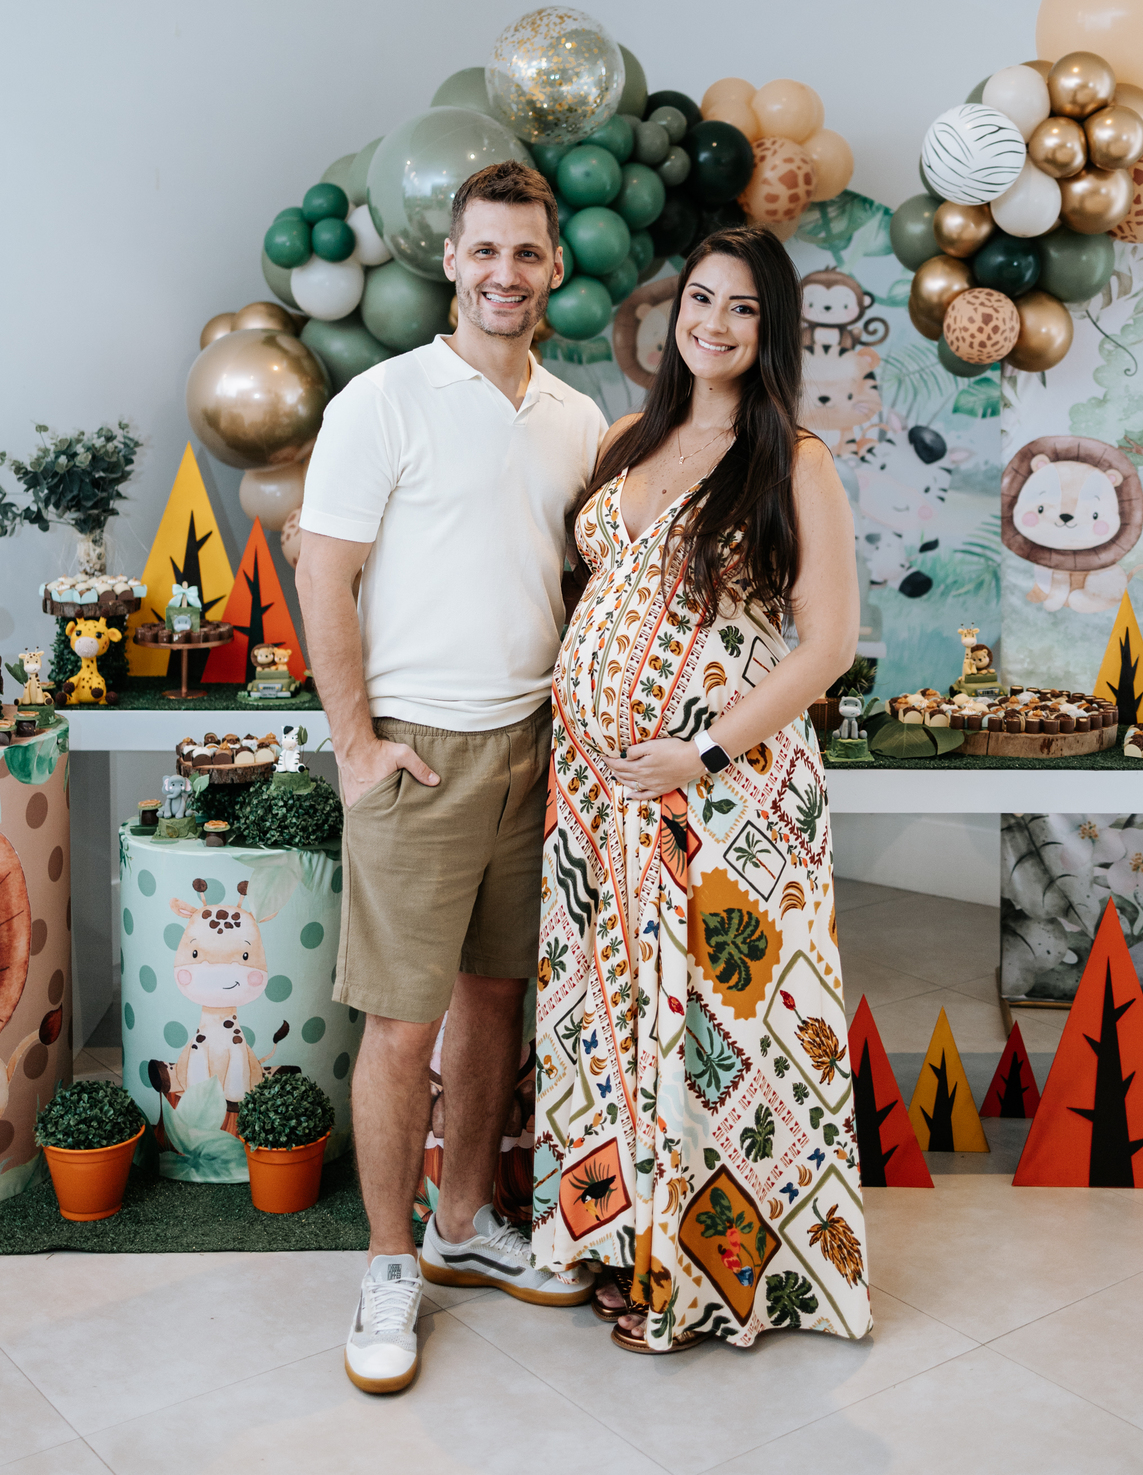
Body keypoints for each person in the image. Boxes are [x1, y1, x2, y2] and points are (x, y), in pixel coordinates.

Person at [531, 225, 872, 1353]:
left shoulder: (794, 460)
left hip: (725, 795)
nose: (714, 324)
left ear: (770, 333)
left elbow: (824, 647)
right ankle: (624, 1240)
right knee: (614, 1017)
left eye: (743, 310)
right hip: (595, 796)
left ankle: (710, 1280)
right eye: (701, 301)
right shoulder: (633, 435)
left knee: (720, 1031)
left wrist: (704, 752)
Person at [297, 160, 605, 1395]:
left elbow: (581, 586)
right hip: (419, 748)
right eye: (486, 252)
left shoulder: (578, 419)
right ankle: (388, 1265)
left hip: (534, 747)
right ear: (451, 261)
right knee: (401, 1020)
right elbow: (324, 574)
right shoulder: (382, 400)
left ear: (555, 269)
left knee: (492, 1002)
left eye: (527, 255)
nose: (505, 275)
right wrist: (358, 746)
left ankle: (465, 1219)